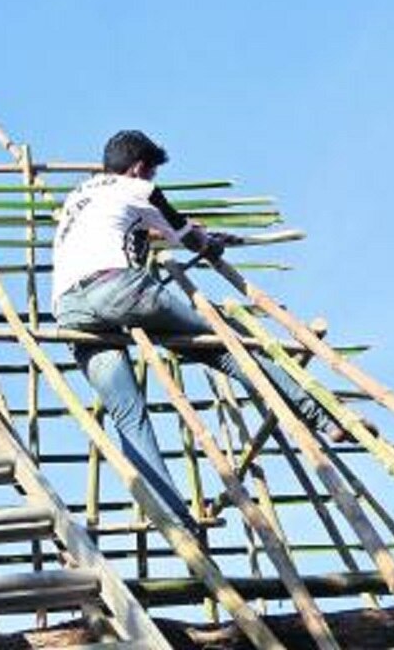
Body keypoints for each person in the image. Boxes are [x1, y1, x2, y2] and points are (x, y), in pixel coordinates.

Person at [53, 130, 345, 527]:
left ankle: (174, 520)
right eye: (152, 172)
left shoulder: (78, 197)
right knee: (230, 348)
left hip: (69, 309)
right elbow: (189, 238)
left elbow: (136, 228)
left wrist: (176, 232)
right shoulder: (138, 189)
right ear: (140, 167)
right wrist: (207, 244)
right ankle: (322, 418)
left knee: (127, 412)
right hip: (118, 291)